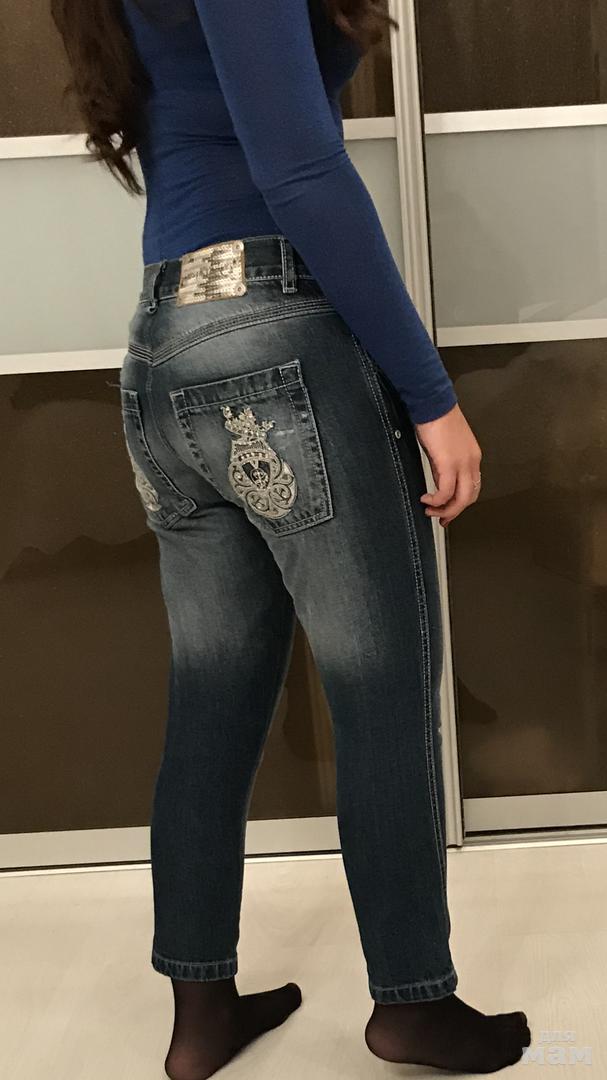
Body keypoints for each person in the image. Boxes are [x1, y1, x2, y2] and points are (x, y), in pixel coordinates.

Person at [51, 1, 530, 1076]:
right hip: (272, 336)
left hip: (162, 346)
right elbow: (301, 170)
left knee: (212, 697)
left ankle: (200, 1014)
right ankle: (412, 1003)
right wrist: (431, 398)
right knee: (378, 682)